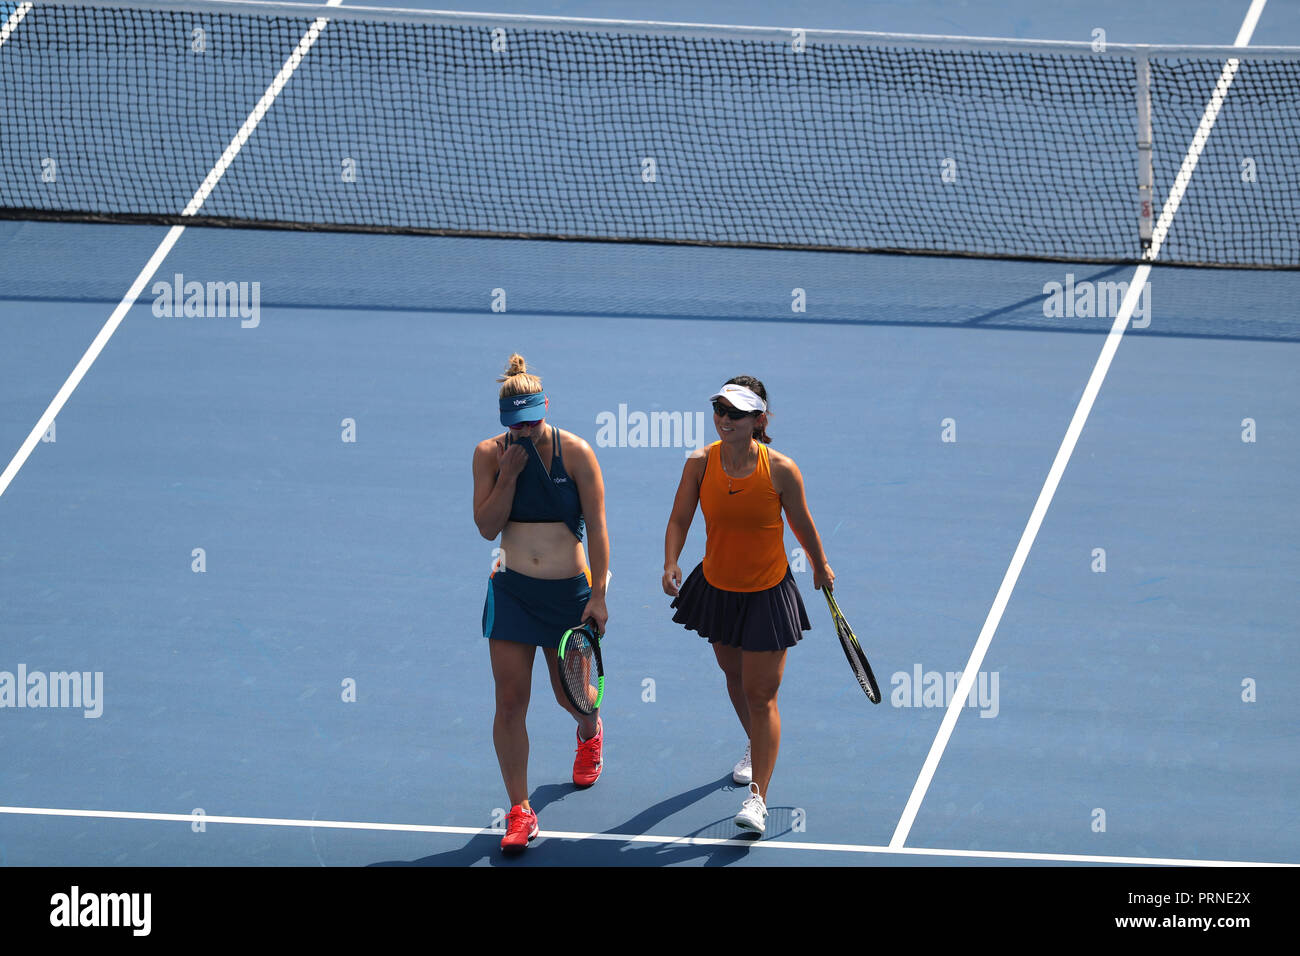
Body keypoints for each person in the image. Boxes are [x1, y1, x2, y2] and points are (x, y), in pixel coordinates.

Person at [662, 376, 832, 834]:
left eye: (734, 413)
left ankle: (758, 796)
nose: (724, 420)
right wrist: (670, 561)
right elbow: (680, 517)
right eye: (719, 409)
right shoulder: (700, 463)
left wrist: (819, 564)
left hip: (767, 594)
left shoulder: (780, 469)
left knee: (762, 694)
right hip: (717, 589)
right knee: (733, 675)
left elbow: (802, 522)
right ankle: (755, 744)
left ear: (759, 420)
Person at [472, 354, 610, 853]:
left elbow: (597, 526)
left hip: (567, 597)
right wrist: (508, 476)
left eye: (531, 420)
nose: (525, 430)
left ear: (545, 406)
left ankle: (590, 730)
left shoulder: (575, 453)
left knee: (570, 694)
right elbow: (487, 527)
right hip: (511, 592)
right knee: (509, 702)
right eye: (515, 424)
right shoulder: (489, 454)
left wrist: (598, 596)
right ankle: (519, 810)